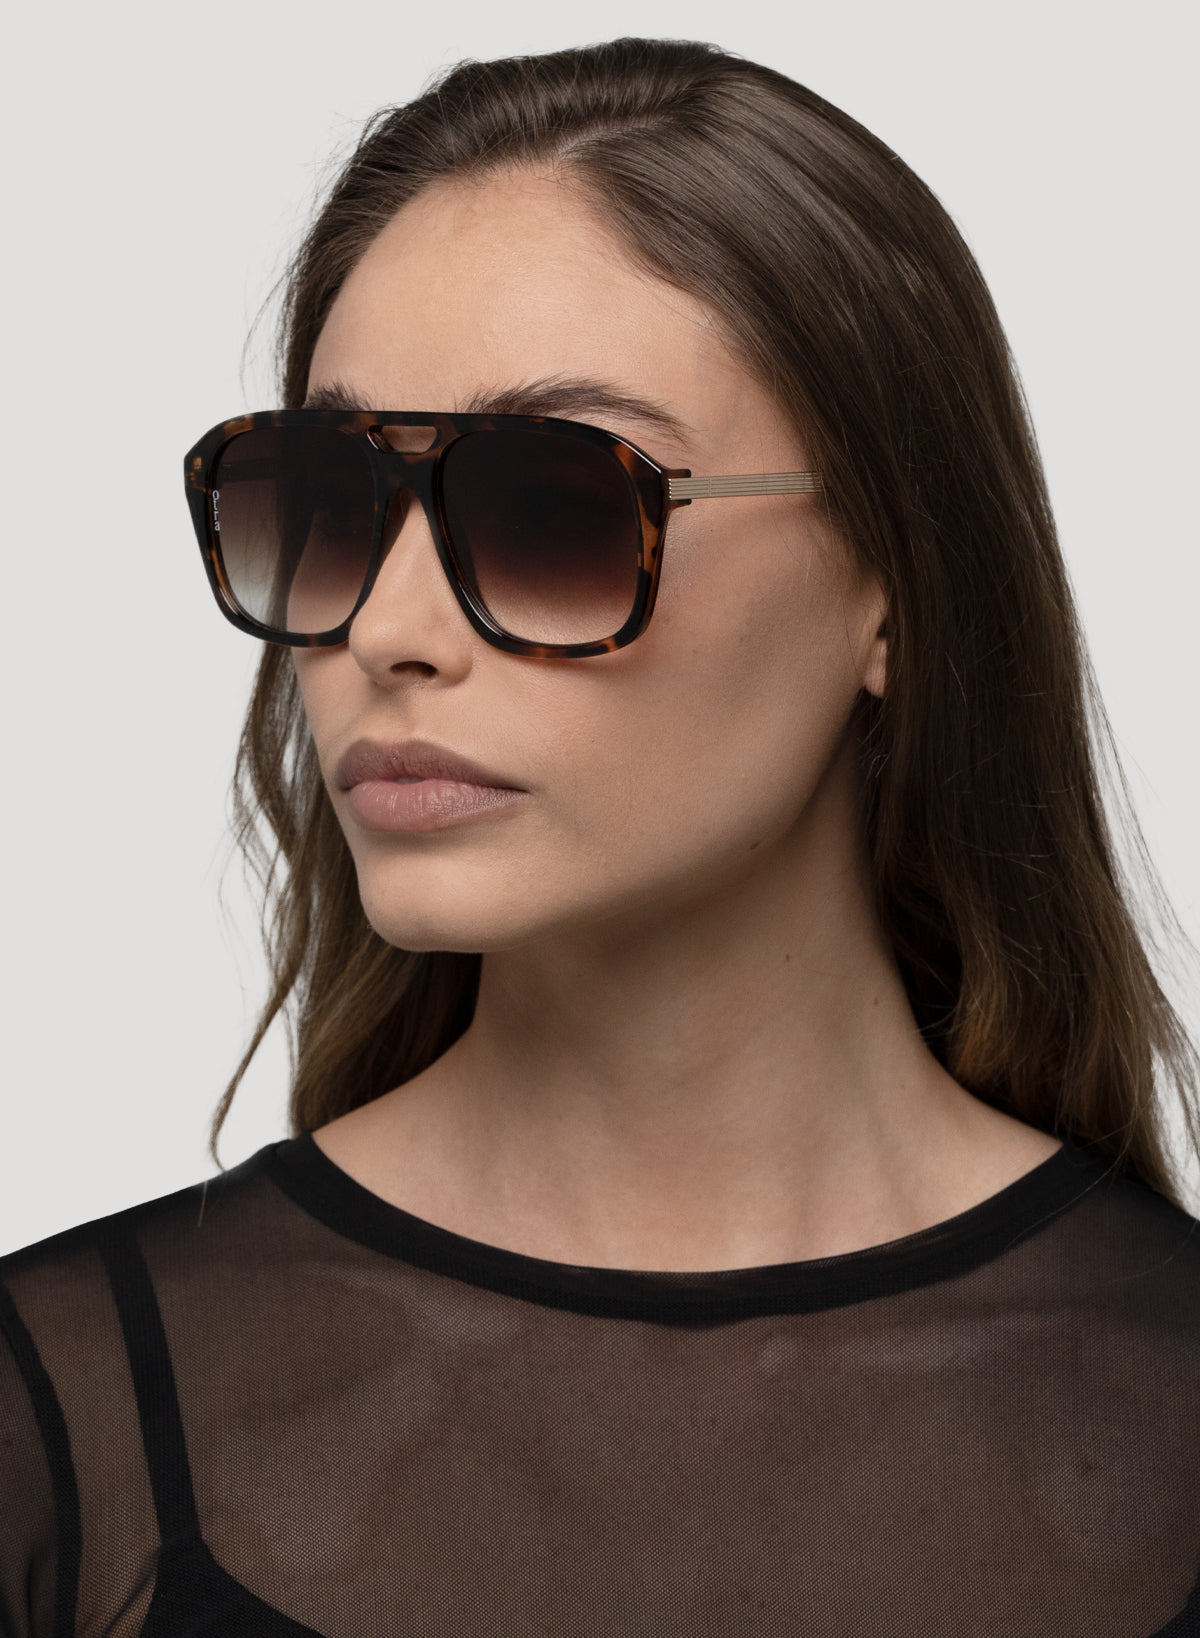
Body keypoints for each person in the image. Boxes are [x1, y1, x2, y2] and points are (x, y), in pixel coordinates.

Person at [2, 36, 1197, 1637]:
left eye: (554, 507)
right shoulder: (58, 1420)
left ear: (895, 587)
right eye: (328, 500)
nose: (387, 632)